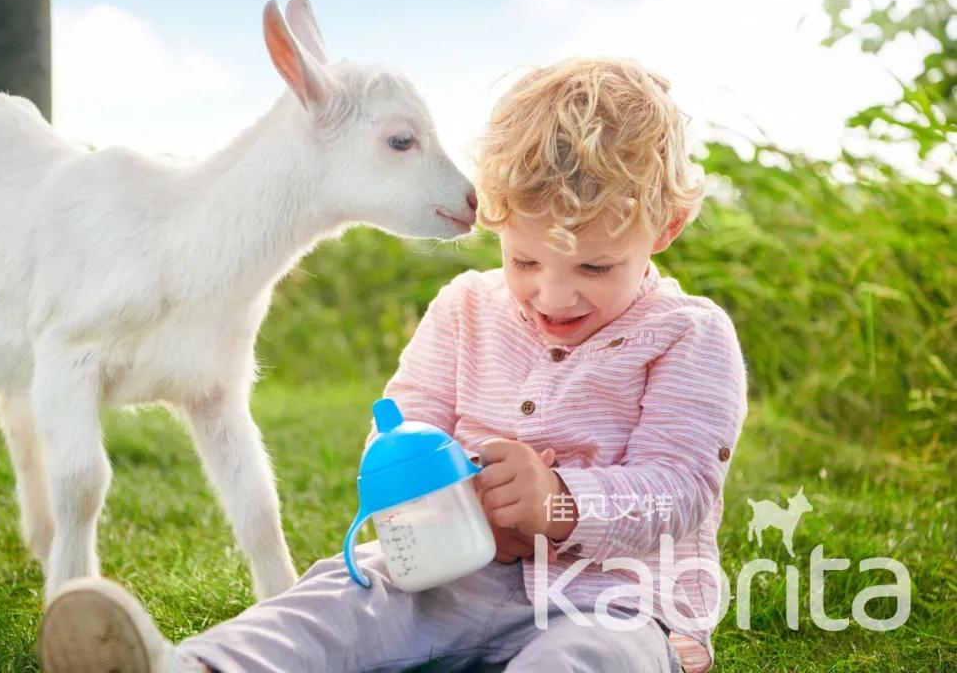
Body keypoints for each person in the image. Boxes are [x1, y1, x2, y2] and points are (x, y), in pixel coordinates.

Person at [38, 57, 748, 673]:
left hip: (610, 600)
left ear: (666, 228)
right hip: (449, 575)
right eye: (525, 259)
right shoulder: (466, 310)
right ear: (496, 218)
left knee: (594, 660)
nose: (553, 293)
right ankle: (196, 665)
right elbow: (401, 422)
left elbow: (678, 491)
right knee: (339, 597)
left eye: (595, 266)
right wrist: (429, 492)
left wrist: (560, 503)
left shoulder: (688, 338)